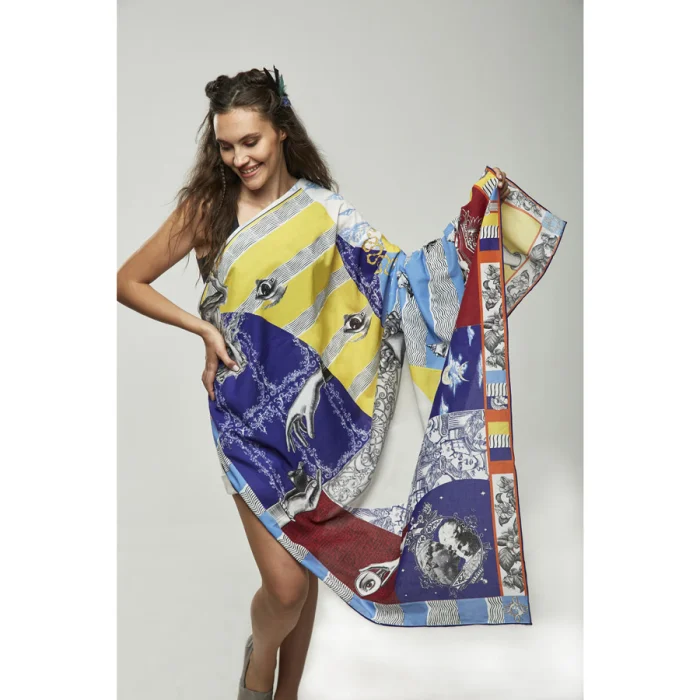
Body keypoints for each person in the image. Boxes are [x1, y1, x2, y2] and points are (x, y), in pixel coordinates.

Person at [118, 65, 561, 700]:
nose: (239, 158)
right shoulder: (207, 210)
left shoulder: (323, 210)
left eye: (251, 141)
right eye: (226, 145)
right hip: (245, 417)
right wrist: (204, 330)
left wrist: (475, 230)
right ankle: (257, 669)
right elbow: (127, 280)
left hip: (316, 420)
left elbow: (399, 279)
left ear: (281, 130)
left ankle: (287, 694)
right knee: (285, 589)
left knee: (307, 567)